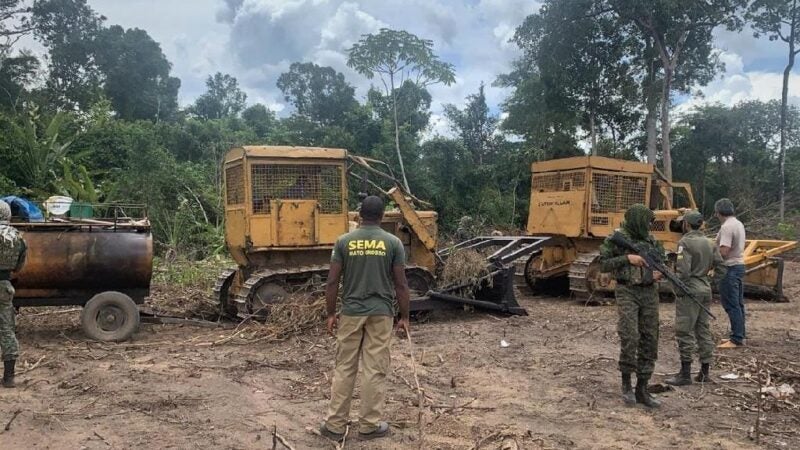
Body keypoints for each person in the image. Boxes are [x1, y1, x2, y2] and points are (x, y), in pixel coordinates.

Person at [320, 195, 410, 441]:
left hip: (350, 313)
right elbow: (401, 285)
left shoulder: (343, 241)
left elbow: (332, 281)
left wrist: (330, 313)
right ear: (382, 216)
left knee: (345, 368)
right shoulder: (393, 243)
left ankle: (335, 426)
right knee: (374, 369)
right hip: (381, 314)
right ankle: (369, 425)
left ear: (359, 214)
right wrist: (404, 317)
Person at [599, 204, 664, 408]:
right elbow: (603, 264)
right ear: (636, 219)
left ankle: (642, 387)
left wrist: (659, 272)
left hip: (649, 292)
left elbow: (662, 262)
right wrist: (628, 258)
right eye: (645, 221)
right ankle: (627, 384)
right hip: (627, 290)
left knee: (650, 337)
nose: (648, 225)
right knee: (630, 336)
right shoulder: (617, 238)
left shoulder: (651, 240)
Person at [665, 211, 723, 386]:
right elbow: (721, 266)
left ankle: (685, 374)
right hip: (705, 289)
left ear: (686, 225)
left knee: (684, 331)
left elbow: (683, 271)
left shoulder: (685, 243)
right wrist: (710, 281)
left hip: (689, 291)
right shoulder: (710, 242)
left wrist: (677, 287)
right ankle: (705, 371)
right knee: (703, 330)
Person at [0, 199, 27, 388]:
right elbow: (19, 266)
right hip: (4, 285)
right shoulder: (18, 237)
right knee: (7, 329)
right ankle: (9, 377)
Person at [714, 198, 746, 349]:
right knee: (738, 304)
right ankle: (740, 334)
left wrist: (712, 260)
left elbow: (724, 250)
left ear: (718, 212)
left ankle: (736, 339)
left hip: (730, 267)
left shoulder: (727, 227)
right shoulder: (738, 223)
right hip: (739, 265)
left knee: (731, 304)